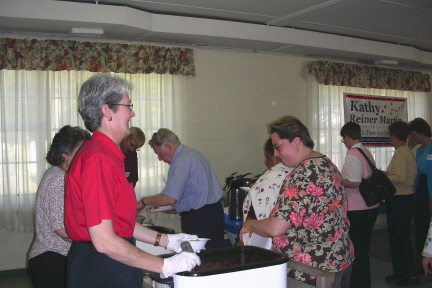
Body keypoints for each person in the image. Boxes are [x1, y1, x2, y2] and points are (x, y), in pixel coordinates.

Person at [64, 74, 200, 288]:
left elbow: (121, 223)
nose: (132, 113)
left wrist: (168, 241)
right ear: (107, 110)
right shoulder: (98, 158)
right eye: (128, 105)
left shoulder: (107, 154)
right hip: (101, 266)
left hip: (107, 262)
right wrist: (164, 265)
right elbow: (105, 241)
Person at [239, 116, 354, 288]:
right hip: (339, 259)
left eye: (278, 147)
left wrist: (250, 224)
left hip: (312, 270)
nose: (276, 154)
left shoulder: (301, 175)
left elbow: (275, 227)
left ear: (297, 141)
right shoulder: (327, 164)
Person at [136, 128, 225, 249]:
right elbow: (195, 191)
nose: (160, 159)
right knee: (213, 256)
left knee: (199, 259)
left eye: (159, 154)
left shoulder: (181, 161)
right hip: (213, 214)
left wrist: (143, 201)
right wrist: (179, 207)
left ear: (168, 147)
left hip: (201, 219)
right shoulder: (192, 154)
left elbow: (169, 199)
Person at [28, 125, 90, 288]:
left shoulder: (57, 174)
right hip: (52, 259)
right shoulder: (59, 180)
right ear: (64, 155)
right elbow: (62, 230)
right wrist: (97, 239)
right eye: (80, 151)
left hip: (54, 257)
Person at [340, 122, 379, 288]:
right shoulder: (365, 151)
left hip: (358, 209)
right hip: (370, 207)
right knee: (363, 249)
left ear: (348, 137)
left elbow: (355, 182)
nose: (344, 142)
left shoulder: (352, 153)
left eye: (344, 139)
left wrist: (338, 181)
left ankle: (358, 283)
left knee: (357, 251)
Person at [384, 121, 419, 286]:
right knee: (398, 238)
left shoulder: (401, 152)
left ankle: (409, 273)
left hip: (400, 200)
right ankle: (401, 271)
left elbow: (400, 178)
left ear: (393, 137)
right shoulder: (405, 151)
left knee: (401, 239)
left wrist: (384, 177)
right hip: (403, 199)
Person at [242, 138, 293, 221]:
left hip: (266, 231)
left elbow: (256, 217)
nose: (266, 162)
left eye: (268, 157)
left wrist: (248, 225)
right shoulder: (300, 173)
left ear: (278, 157)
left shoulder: (269, 179)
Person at [408, 118, 432, 265]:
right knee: (420, 223)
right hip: (420, 188)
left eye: (414, 135)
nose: (413, 138)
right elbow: (415, 171)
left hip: (429, 188)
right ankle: (421, 255)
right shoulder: (418, 151)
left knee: (428, 224)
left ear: (422, 133)